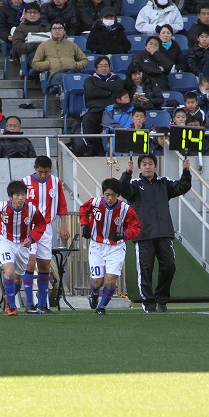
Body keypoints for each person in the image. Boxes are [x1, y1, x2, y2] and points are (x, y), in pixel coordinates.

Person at [120, 153, 191, 313]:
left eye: (150, 163)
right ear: (140, 167)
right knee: (145, 270)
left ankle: (162, 299)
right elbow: (124, 190)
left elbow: (182, 187)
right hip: (143, 234)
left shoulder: (164, 183)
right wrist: (127, 173)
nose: (147, 166)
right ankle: (148, 303)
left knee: (169, 267)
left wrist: (186, 171)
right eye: (144, 164)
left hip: (164, 233)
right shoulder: (134, 184)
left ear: (155, 166)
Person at [80, 178, 140, 315]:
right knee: (97, 282)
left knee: (111, 282)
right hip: (97, 245)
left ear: (118, 195)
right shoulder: (94, 203)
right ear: (103, 193)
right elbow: (83, 210)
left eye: (113, 195)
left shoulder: (125, 209)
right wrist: (84, 225)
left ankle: (101, 307)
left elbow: (136, 227)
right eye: (107, 194)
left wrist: (123, 235)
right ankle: (94, 293)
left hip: (116, 247)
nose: (110, 198)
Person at [0, 180, 47, 316]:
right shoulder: (1, 206)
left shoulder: (31, 209)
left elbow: (40, 225)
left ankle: (9, 296)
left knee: (18, 279)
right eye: (17, 195)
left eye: (23, 194)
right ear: (10, 197)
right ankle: (12, 307)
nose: (21, 198)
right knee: (9, 271)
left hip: (23, 245)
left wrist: (31, 238)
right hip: (6, 241)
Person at [19, 156, 69, 314]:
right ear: (35, 168)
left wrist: (63, 225)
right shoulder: (24, 182)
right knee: (30, 263)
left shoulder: (56, 182)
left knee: (44, 265)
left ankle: (42, 305)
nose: (42, 175)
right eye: (40, 172)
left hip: (46, 228)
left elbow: (61, 205)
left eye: (45, 172)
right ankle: (29, 304)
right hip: (29, 227)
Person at [31, 20, 88, 88]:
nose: (57, 31)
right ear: (51, 31)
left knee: (84, 79)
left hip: (72, 72)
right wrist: (49, 64)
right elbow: (35, 64)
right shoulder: (43, 45)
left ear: (64, 31)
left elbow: (84, 60)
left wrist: (75, 65)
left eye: (60, 29)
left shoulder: (72, 45)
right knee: (65, 79)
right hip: (55, 75)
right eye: (54, 29)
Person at [82, 56, 126, 137]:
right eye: (101, 66)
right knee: (87, 119)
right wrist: (109, 92)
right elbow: (91, 93)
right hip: (96, 110)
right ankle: (92, 146)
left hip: (114, 110)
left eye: (106, 66)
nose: (104, 68)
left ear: (110, 68)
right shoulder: (89, 80)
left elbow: (119, 87)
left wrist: (99, 86)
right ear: (96, 69)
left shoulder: (116, 78)